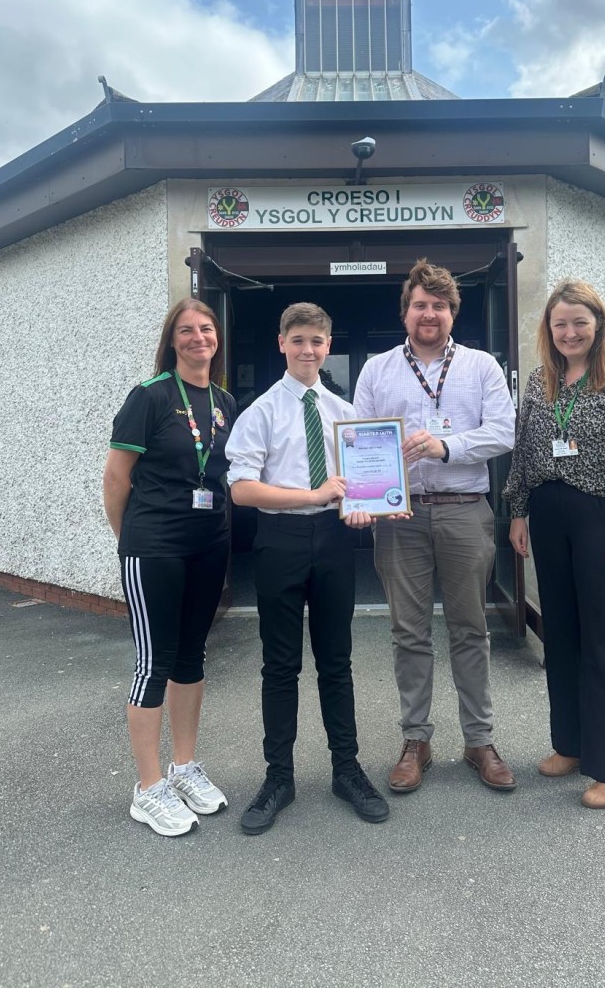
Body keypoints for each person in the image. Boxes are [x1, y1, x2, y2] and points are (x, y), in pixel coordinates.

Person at [353, 259, 518, 794]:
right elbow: (359, 438)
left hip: (465, 509)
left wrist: (446, 446)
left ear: (453, 313)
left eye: (440, 305)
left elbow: (504, 432)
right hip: (399, 517)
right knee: (408, 632)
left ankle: (479, 741)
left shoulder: (481, 367)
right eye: (421, 304)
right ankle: (415, 741)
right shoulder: (377, 370)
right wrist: (369, 496)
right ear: (406, 312)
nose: (430, 313)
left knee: (471, 628)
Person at [225, 303, 389, 835]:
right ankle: (279, 778)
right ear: (281, 343)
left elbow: (360, 485)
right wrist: (312, 494)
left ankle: (347, 770)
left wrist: (365, 506)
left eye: (317, 341)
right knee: (279, 665)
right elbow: (242, 489)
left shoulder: (344, 412)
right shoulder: (261, 412)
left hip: (335, 540)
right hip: (281, 540)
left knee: (336, 662)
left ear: (328, 345)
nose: (307, 350)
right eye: (297, 340)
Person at [505, 279, 605, 809]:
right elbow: (524, 449)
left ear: (599, 325)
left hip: (601, 519)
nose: (569, 333)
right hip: (548, 515)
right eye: (560, 324)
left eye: (580, 323)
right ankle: (571, 744)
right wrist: (519, 509)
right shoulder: (540, 381)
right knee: (563, 635)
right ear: (548, 329)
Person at [103, 298, 236, 837]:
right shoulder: (151, 395)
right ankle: (149, 787)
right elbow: (116, 478)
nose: (199, 337)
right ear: (172, 339)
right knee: (154, 663)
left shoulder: (225, 401)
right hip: (154, 546)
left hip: (209, 544)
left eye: (206, 328)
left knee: (191, 656)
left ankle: (184, 769)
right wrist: (131, 542)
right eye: (187, 330)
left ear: (217, 337)